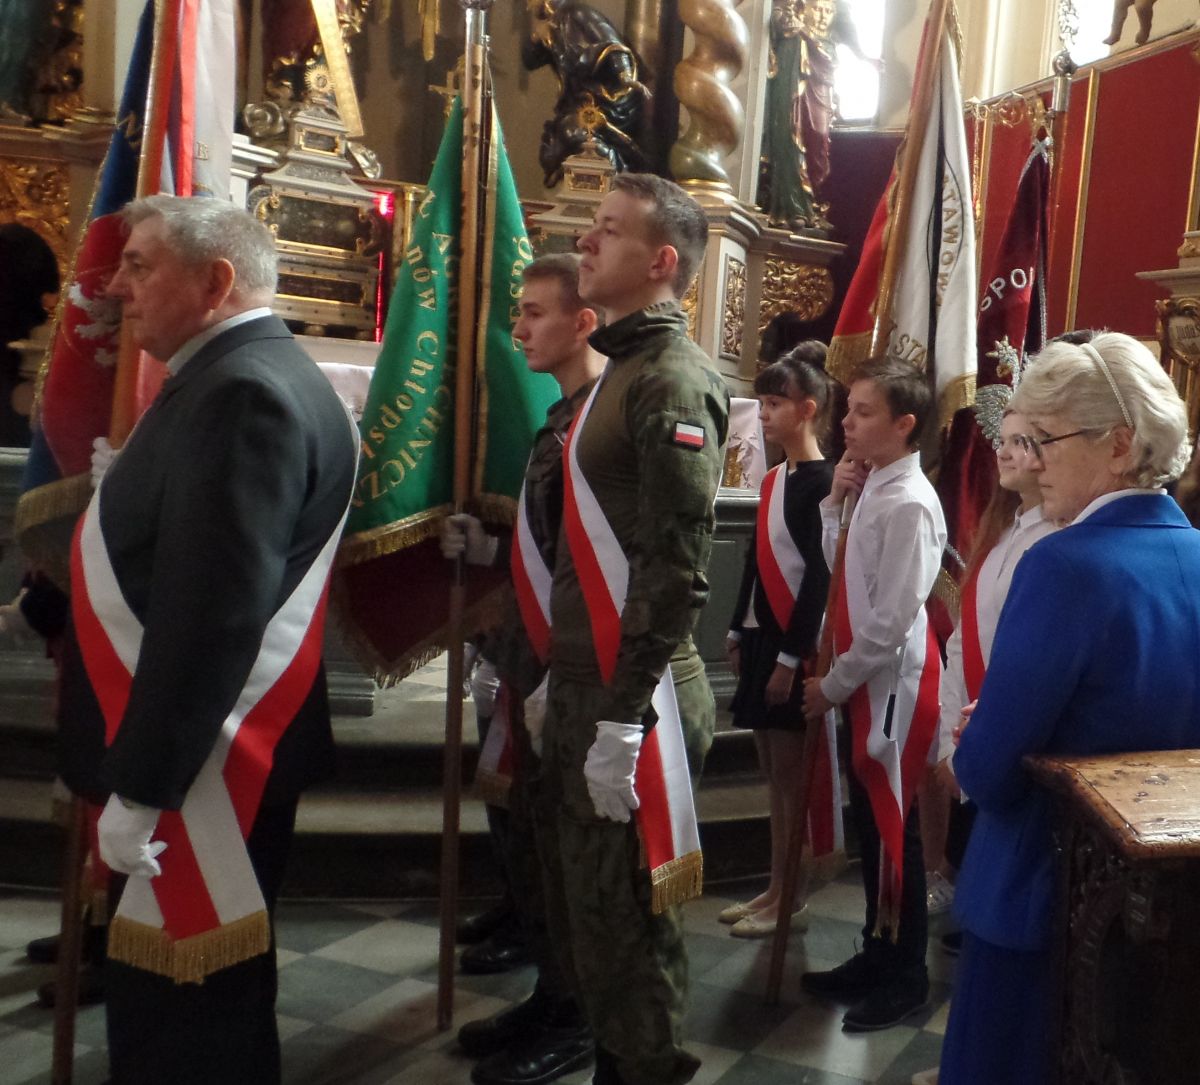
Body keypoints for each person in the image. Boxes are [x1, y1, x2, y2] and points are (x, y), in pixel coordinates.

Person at [57, 194, 358, 1085]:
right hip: (200, 748)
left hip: (200, 764)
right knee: (208, 1000)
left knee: (184, 1016)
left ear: (216, 281)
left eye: (140, 265)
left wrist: (143, 786)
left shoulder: (242, 394)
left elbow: (213, 612)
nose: (114, 287)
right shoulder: (240, 375)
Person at [939, 332, 1200, 1084]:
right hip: (1171, 912)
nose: (1033, 461)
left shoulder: (1064, 564)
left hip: (1045, 901)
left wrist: (983, 734)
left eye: (1045, 440)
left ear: (1119, 444)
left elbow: (987, 773)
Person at [538, 172, 728, 1085]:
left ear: (660, 261)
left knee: (632, 931)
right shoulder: (619, 370)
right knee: (596, 922)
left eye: (607, 230)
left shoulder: (671, 380)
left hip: (636, 693)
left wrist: (621, 714)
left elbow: (673, 564)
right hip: (592, 681)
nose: (585, 241)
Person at [440, 253, 606, 1085]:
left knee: (575, 866)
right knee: (537, 850)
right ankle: (552, 991)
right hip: (533, 662)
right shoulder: (560, 418)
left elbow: (603, 566)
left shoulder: (604, 420)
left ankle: (578, 1015)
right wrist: (488, 552)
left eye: (535, 312)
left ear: (584, 321)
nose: (519, 329)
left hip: (575, 671)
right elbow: (548, 542)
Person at [801, 357, 945, 1032]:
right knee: (874, 826)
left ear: (904, 423)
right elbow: (845, 577)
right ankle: (878, 948)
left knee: (894, 829)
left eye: (863, 412)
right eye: (848, 408)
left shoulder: (909, 500)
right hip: (865, 681)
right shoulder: (874, 488)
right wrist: (835, 503)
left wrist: (833, 685)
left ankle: (906, 972)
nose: (846, 423)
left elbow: (890, 618)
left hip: (890, 686)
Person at [721, 343, 834, 937]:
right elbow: (753, 562)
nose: (762, 413)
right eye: (761, 403)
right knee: (771, 774)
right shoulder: (772, 478)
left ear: (807, 409)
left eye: (774, 403)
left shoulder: (823, 483)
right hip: (761, 638)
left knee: (791, 782)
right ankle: (773, 887)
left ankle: (792, 897)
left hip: (794, 645)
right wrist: (736, 627)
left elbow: (817, 576)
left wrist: (791, 657)